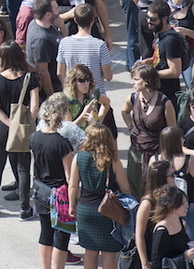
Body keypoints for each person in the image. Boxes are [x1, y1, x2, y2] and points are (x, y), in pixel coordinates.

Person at [0, 42, 38, 220]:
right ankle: (24, 208)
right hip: (22, 129)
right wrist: (24, 124)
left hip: (2, 128)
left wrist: (9, 123)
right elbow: (35, 107)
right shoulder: (30, 78)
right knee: (23, 168)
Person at [69, 123, 132, 269]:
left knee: (90, 252)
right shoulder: (113, 161)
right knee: (109, 254)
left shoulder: (79, 157)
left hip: (85, 209)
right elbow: (125, 188)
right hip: (108, 211)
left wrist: (72, 205)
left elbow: (73, 186)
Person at [30, 94, 75, 269]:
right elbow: (70, 176)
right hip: (60, 194)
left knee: (45, 232)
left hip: (40, 191)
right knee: (62, 235)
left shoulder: (34, 138)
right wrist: (73, 200)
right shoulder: (62, 143)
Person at [122, 63, 178, 198]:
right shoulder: (133, 98)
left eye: (136, 79)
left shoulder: (165, 102)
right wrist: (131, 126)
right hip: (136, 152)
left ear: (147, 81)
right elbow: (124, 111)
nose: (132, 83)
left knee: (156, 191)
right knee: (135, 189)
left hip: (157, 154)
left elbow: (172, 131)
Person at [153, 126, 194, 246]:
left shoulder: (154, 160)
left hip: (163, 209)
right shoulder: (190, 160)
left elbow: (151, 185)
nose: (183, 140)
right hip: (189, 207)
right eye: (181, 138)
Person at [143, 0, 187, 108]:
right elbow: (160, 57)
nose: (149, 21)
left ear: (164, 19)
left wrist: (151, 74)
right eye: (147, 17)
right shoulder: (159, 32)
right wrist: (148, 62)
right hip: (158, 90)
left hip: (168, 94)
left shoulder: (170, 40)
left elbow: (175, 71)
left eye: (153, 19)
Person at [149, 185, 194, 269]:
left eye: (186, 202)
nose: (187, 206)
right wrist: (185, 258)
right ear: (171, 206)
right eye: (182, 204)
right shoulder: (161, 231)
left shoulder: (180, 222)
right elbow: (157, 265)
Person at [135, 161, 175, 269]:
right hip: (152, 255)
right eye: (171, 175)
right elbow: (139, 235)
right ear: (161, 179)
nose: (174, 177)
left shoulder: (171, 196)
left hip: (169, 253)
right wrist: (144, 263)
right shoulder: (147, 203)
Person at [63, 63, 111, 133]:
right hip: (78, 139)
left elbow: (106, 102)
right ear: (74, 81)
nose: (86, 83)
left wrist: (99, 121)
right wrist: (84, 114)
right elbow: (70, 129)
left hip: (92, 135)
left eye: (88, 80)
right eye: (81, 80)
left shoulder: (93, 93)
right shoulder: (67, 100)